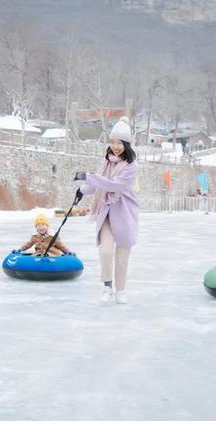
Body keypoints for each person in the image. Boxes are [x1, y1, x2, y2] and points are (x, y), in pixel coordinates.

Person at [74, 116, 139, 304]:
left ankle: (121, 290)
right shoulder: (107, 162)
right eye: (112, 142)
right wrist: (82, 189)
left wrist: (88, 176)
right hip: (107, 214)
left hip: (125, 215)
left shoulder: (132, 166)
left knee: (122, 258)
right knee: (105, 252)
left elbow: (113, 186)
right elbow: (99, 185)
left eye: (120, 143)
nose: (115, 146)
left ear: (126, 144)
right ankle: (107, 287)